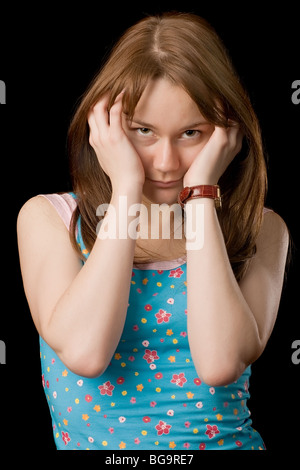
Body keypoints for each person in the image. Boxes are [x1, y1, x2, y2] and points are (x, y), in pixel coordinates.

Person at [17, 12, 289, 450]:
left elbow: (220, 363)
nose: (165, 163)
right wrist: (125, 187)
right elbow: (85, 353)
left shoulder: (260, 227)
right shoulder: (49, 218)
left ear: (227, 134)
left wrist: (200, 195)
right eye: (143, 131)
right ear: (105, 127)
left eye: (190, 133)